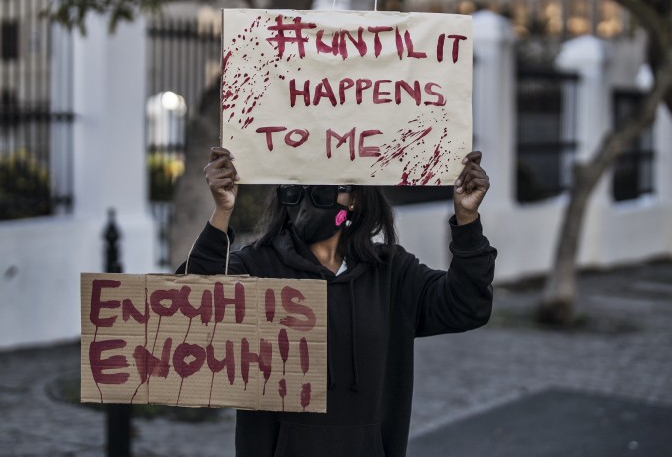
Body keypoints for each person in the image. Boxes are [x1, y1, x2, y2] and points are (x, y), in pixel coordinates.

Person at [181, 146, 497, 457]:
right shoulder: (255, 267)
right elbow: (192, 314)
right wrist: (221, 212)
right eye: (294, 192)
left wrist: (467, 220)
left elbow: (467, 306)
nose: (306, 204)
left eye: (322, 192)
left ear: (355, 198)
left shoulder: (392, 273)